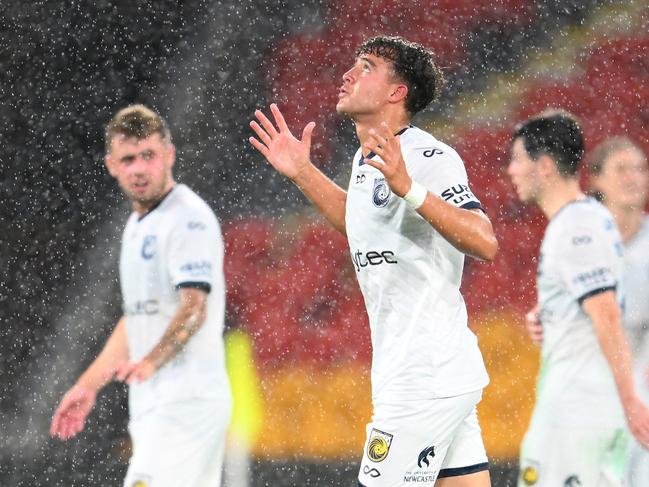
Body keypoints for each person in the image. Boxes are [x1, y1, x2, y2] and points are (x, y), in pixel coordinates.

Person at [249, 35, 498, 487]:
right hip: (427, 373)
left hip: (423, 379)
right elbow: (363, 223)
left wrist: (411, 188)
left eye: (365, 67)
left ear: (396, 93)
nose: (347, 75)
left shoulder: (428, 157)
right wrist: (304, 173)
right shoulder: (366, 162)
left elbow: (484, 241)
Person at [50, 105, 231, 486]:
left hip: (187, 402)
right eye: (128, 159)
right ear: (112, 165)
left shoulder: (188, 218)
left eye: (148, 155)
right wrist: (87, 385)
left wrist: (150, 361)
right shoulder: (136, 225)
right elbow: (136, 319)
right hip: (154, 405)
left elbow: (194, 310)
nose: (139, 168)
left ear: (169, 155)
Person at [507, 112, 649, 487]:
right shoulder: (593, 218)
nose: (511, 170)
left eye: (519, 159)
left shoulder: (576, 227)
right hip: (594, 404)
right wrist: (550, 315)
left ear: (546, 166)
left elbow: (605, 314)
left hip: (579, 409)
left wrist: (631, 401)